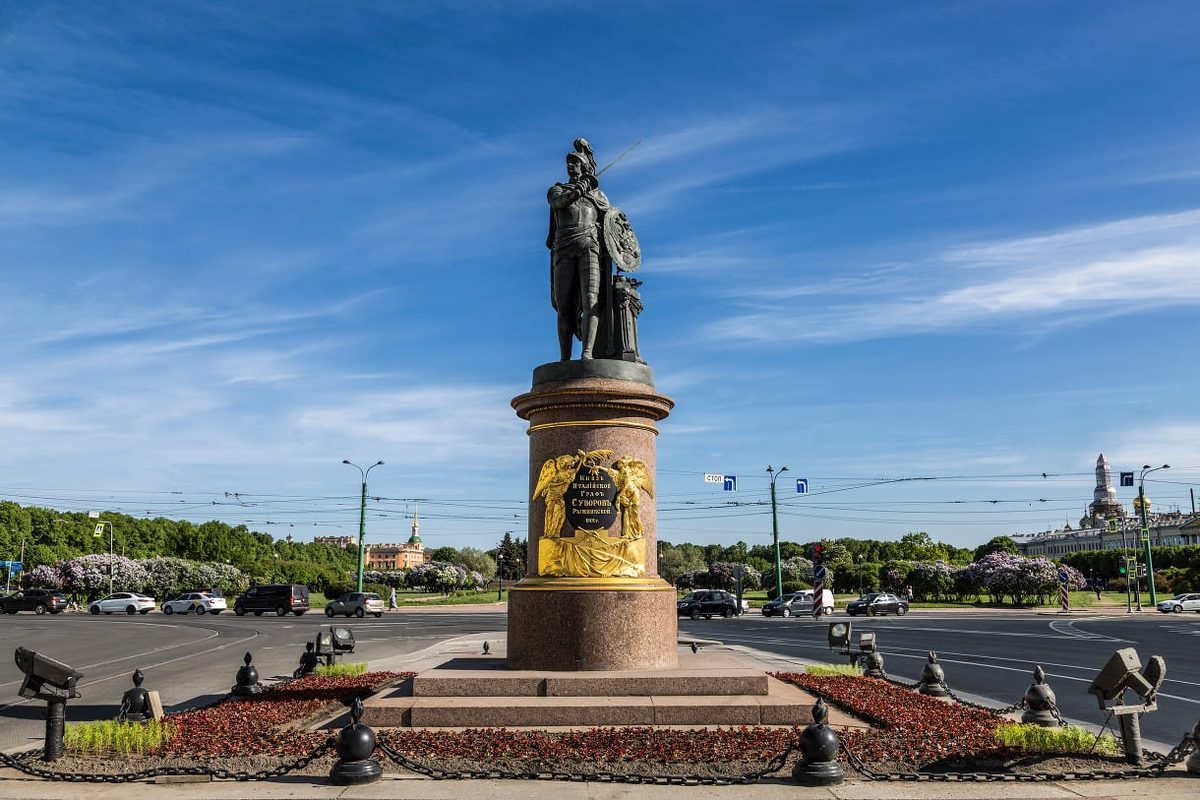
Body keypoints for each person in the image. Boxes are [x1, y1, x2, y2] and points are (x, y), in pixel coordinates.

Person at [547, 139, 613, 360]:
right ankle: (564, 359)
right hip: (563, 248)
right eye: (568, 162)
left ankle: (587, 353)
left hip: (589, 248)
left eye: (575, 162)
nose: (570, 165)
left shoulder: (599, 197)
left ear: (584, 166)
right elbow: (559, 203)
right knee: (563, 306)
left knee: (590, 299)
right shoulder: (557, 190)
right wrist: (580, 188)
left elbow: (613, 227)